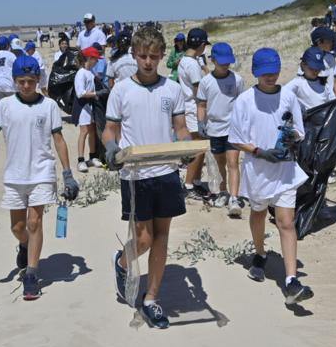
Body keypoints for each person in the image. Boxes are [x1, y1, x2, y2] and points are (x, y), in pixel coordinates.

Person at [0, 55, 79, 300]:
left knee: (34, 223)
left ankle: (31, 274)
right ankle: (24, 245)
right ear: (14, 81)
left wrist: (68, 173)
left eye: (31, 81)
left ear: (38, 79)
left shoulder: (48, 105)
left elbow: (59, 140)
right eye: (21, 81)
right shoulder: (5, 106)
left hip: (41, 172)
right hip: (14, 175)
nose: (27, 86)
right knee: (18, 228)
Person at [103, 26, 190, 329]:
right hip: (135, 174)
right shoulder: (121, 90)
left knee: (163, 236)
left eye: (154, 56)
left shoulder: (172, 89)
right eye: (143, 56)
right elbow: (110, 129)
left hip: (166, 171)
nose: (149, 62)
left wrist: (185, 145)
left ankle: (151, 298)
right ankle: (122, 261)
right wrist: (111, 148)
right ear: (134, 55)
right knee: (143, 239)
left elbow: (180, 127)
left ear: (163, 55)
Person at [228, 47, 313, 305]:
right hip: (257, 171)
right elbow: (235, 139)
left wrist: (291, 139)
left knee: (286, 222)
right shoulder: (244, 100)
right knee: (259, 213)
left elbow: (300, 130)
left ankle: (291, 281)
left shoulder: (288, 96)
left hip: (285, 170)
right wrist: (260, 152)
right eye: (265, 73)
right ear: (256, 73)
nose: (270, 77)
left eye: (274, 72)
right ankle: (260, 253)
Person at [197, 42, 245, 216]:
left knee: (233, 163)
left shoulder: (238, 80)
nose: (225, 65)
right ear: (213, 60)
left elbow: (242, 104)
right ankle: (223, 192)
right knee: (220, 164)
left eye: (228, 62)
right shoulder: (206, 82)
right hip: (214, 129)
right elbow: (201, 105)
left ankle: (234, 197)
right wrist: (200, 123)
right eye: (221, 61)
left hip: (233, 128)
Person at [178, 28, 210, 200]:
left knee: (200, 148)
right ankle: (189, 184)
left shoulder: (185, 60)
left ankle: (196, 182)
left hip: (188, 106)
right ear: (202, 45)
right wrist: (202, 117)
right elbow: (200, 93)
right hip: (194, 109)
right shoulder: (192, 64)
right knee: (197, 149)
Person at [72, 46, 103, 172]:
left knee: (92, 131)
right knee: (84, 131)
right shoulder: (81, 73)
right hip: (82, 106)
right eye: (96, 59)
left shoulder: (90, 72)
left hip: (90, 106)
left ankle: (93, 157)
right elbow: (80, 93)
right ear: (90, 58)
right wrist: (96, 94)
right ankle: (80, 160)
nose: (97, 61)